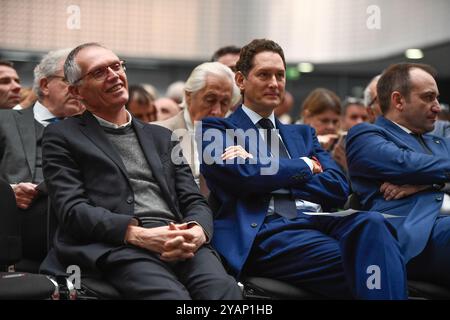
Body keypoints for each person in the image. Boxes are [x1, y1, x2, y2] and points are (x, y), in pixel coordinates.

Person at [199, 39, 407, 299]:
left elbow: (337, 187)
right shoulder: (215, 130)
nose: (274, 83)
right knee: (377, 262)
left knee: (373, 222)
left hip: (318, 222)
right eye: (264, 74)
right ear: (240, 80)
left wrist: (264, 166)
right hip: (267, 233)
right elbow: (244, 177)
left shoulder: (303, 133)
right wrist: (306, 165)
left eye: (280, 75)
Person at [40, 43, 242, 300]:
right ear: (76, 91)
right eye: (99, 72)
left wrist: (197, 230)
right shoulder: (61, 136)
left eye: (116, 66)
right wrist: (138, 235)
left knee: (224, 294)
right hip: (119, 242)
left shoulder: (163, 136)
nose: (114, 75)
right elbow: (72, 210)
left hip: (179, 237)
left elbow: (193, 199)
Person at [346, 62, 450, 287]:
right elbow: (406, 164)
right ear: (398, 100)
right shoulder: (365, 135)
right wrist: (436, 178)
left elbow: (421, 171)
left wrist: (428, 185)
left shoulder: (440, 141)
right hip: (418, 237)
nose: (437, 107)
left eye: (437, 98)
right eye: (428, 97)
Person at [0, 49, 83, 263]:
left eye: (82, 82)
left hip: (77, 241)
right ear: (45, 85)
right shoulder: (4, 121)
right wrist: (8, 193)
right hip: (14, 238)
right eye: (71, 81)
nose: (79, 89)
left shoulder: (94, 132)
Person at [154, 62, 240, 189]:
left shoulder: (238, 138)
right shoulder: (156, 133)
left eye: (224, 103)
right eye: (210, 100)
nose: (216, 110)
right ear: (189, 96)